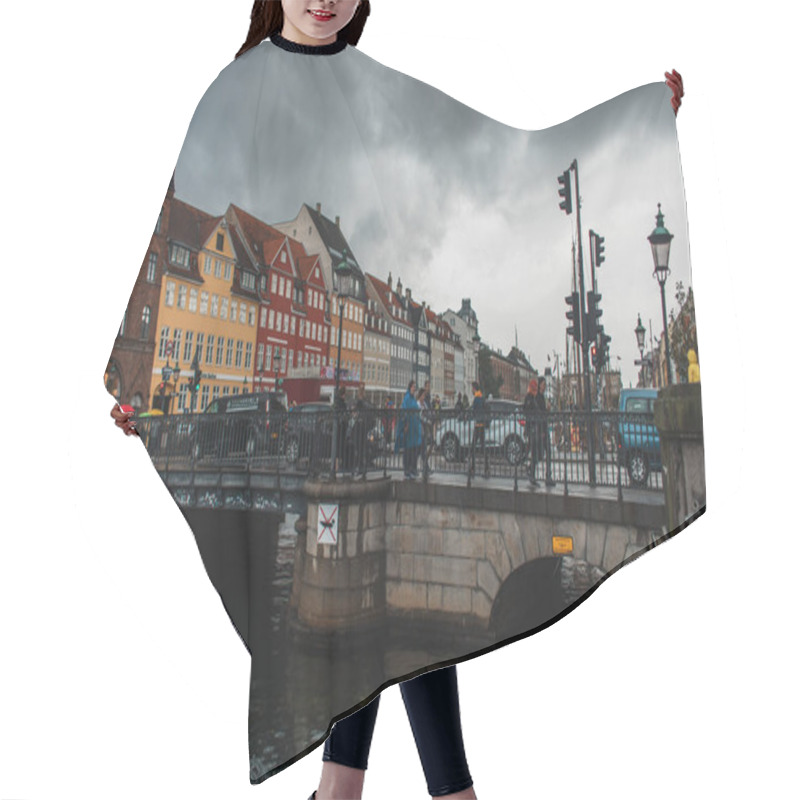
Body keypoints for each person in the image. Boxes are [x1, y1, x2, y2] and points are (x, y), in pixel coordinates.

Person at [107, 3, 686, 797]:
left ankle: (359, 790)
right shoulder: (233, 89)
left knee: (389, 627)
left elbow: (499, 161)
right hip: (298, 383)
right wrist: (135, 389)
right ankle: (421, 791)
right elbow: (173, 234)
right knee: (391, 631)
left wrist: (643, 123)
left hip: (361, 421)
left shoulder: (370, 87)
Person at [395, 379, 423, 481]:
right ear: (410, 387)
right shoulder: (407, 398)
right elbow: (404, 411)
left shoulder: (413, 399)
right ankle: (407, 470)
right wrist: (405, 424)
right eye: (413, 387)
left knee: (414, 449)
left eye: (415, 387)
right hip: (409, 427)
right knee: (408, 450)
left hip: (414, 428)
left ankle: (413, 469)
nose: (414, 388)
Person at [468, 381, 489, 479]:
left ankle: (472, 468)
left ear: (474, 388)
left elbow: (473, 410)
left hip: (478, 425)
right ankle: (486, 469)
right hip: (483, 424)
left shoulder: (477, 398)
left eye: (472, 388)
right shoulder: (482, 397)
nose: (471, 390)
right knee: (483, 447)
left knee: (473, 447)